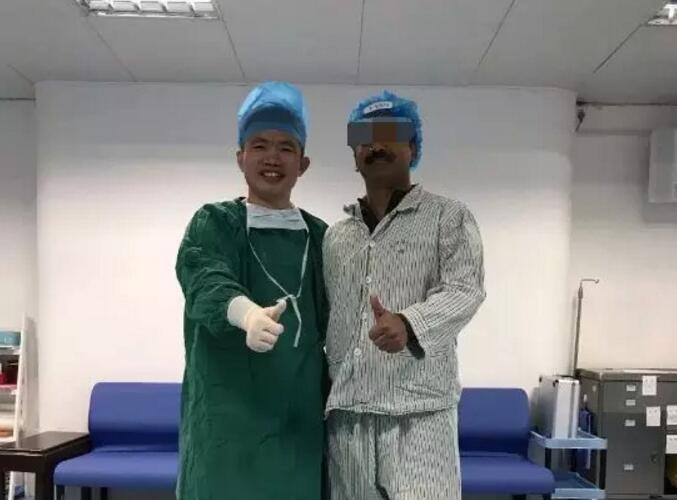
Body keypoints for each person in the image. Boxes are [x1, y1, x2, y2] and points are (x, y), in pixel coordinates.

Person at [323, 90, 486, 499]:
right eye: (364, 138)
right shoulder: (336, 236)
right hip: (349, 418)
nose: (376, 145)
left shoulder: (449, 217)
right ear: (354, 154)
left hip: (419, 415)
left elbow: (466, 290)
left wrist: (410, 324)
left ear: (413, 147)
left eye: (390, 134)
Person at [175, 81, 328, 500]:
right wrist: (246, 314)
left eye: (285, 147)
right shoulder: (215, 223)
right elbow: (203, 278)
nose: (272, 157)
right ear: (240, 157)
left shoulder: (321, 239)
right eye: (259, 145)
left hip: (297, 426)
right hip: (226, 427)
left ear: (303, 163)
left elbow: (342, 321)